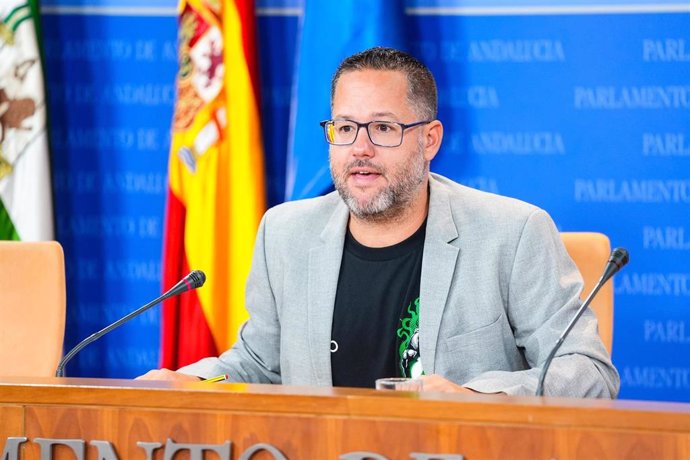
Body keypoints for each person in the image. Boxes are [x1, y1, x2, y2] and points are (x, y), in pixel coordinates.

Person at [139, 47, 619, 397]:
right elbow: (260, 364)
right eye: (345, 128)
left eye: (384, 128)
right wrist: (193, 379)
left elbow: (587, 371)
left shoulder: (512, 233)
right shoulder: (285, 233)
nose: (360, 149)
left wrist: (475, 398)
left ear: (429, 140)